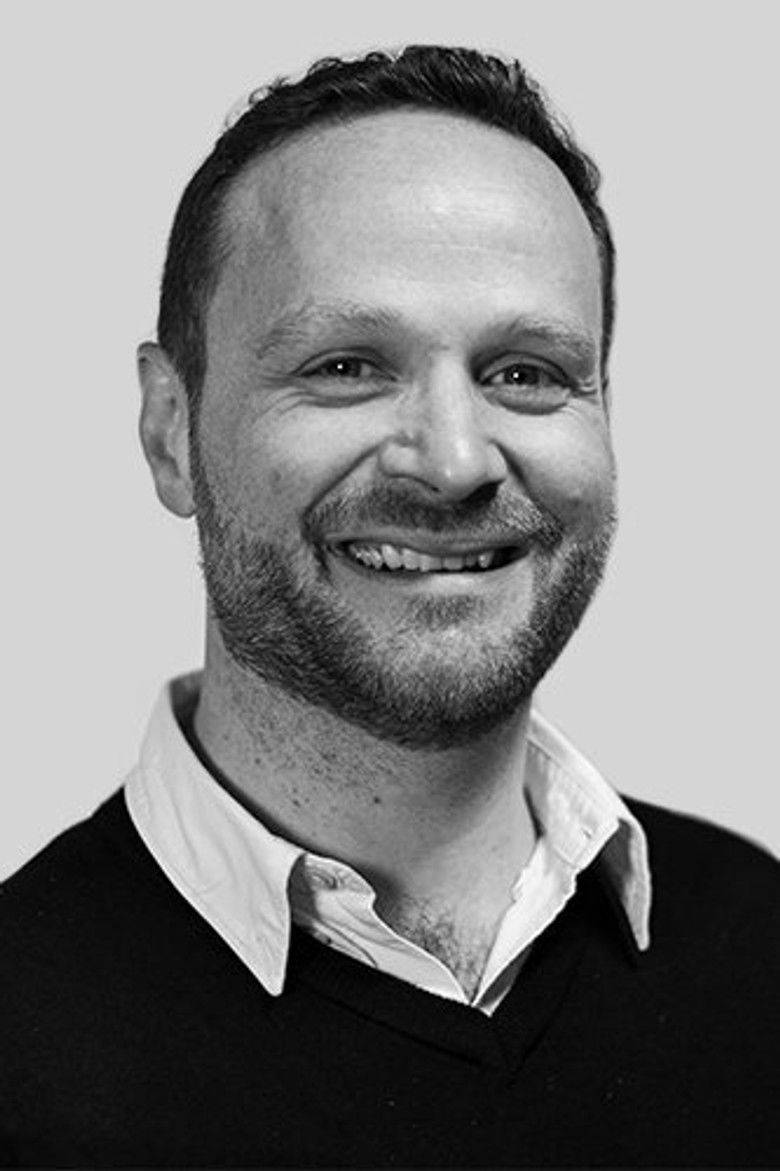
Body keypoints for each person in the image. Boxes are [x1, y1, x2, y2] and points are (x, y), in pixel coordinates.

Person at [1, 44, 777, 1169]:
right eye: (347, 366)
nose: (454, 462)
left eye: (527, 373)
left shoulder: (756, 939)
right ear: (171, 433)